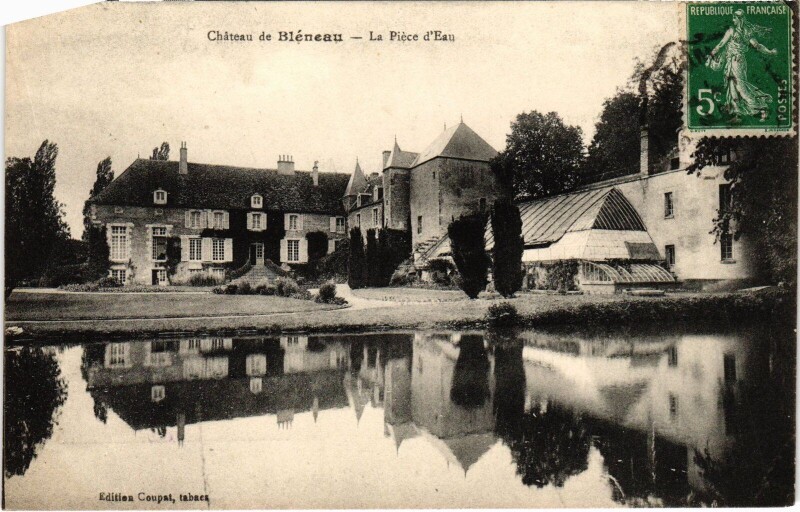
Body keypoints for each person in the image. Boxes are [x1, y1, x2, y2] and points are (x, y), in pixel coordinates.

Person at [706, 9, 778, 121]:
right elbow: (721, 44)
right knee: (731, 85)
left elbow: (757, 46)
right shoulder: (737, 31)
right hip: (732, 60)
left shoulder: (742, 31)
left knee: (740, 86)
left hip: (737, 61)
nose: (733, 20)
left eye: (734, 18)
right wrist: (711, 54)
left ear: (740, 19)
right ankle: (737, 112)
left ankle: (761, 107)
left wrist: (769, 52)